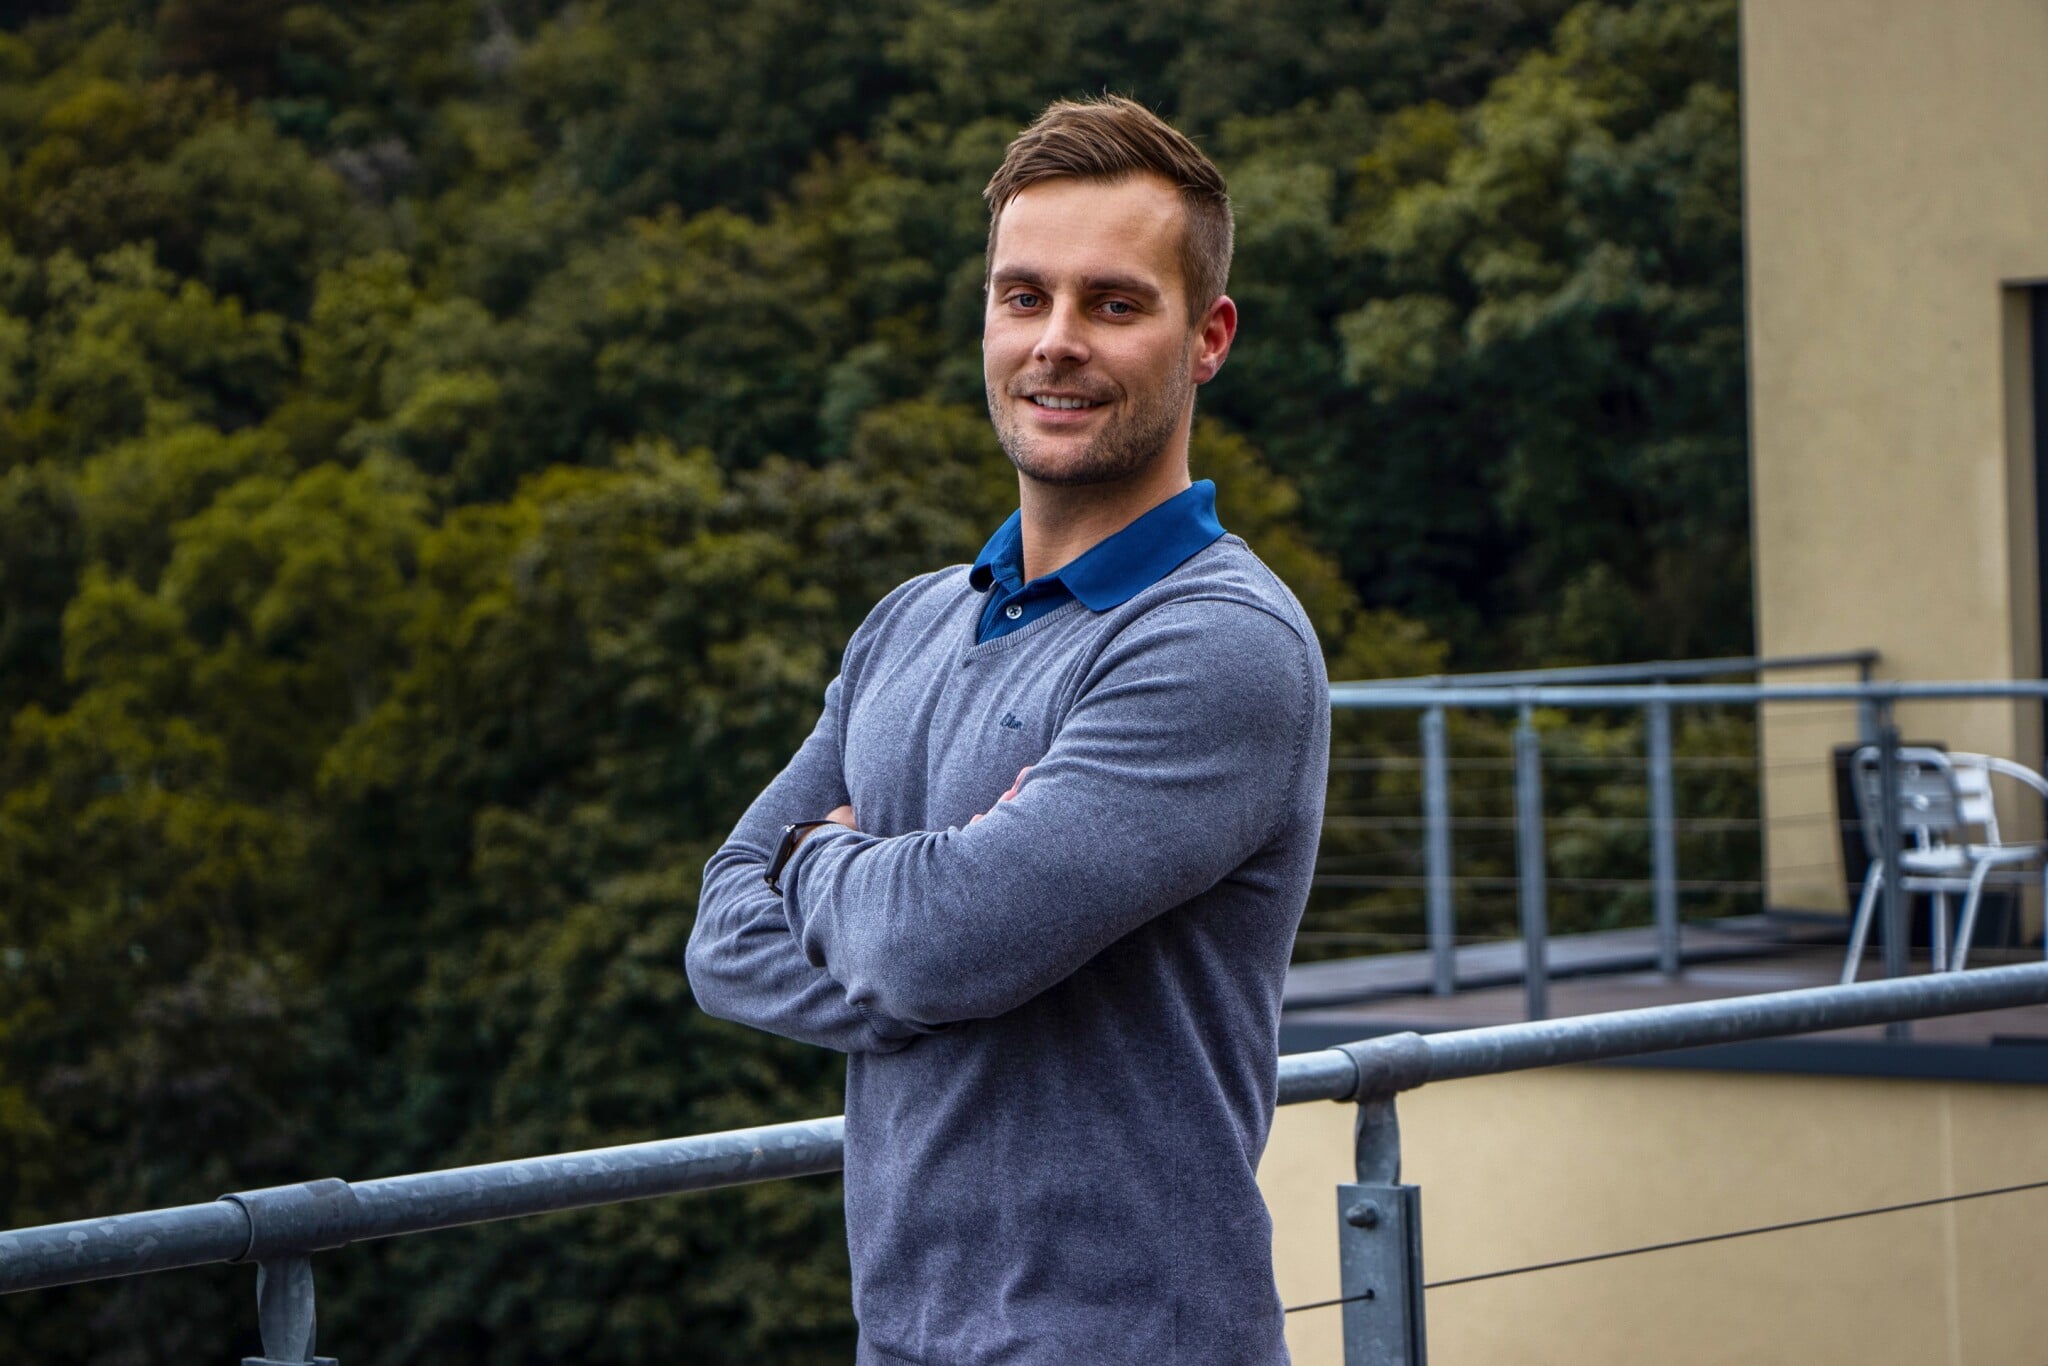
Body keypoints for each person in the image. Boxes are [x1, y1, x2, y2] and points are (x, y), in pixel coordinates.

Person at [686, 94, 1330, 1366]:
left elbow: (928, 946)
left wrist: (823, 866)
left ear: (1206, 338)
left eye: (1114, 303)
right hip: (901, 1339)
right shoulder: (908, 623)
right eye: (1023, 297)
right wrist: (930, 935)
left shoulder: (1218, 642)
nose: (1056, 342)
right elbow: (720, 936)